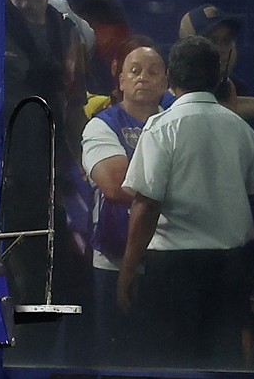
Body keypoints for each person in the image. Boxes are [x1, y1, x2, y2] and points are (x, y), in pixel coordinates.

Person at [117, 36, 254, 368]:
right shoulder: (242, 130)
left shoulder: (160, 128)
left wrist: (128, 269)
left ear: (170, 78)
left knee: (170, 365)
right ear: (218, 77)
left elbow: (146, 204)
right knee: (224, 365)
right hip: (229, 268)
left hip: (172, 272)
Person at [2, 0, 87, 304]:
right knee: (14, 266)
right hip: (7, 168)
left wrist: (81, 161)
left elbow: (76, 103)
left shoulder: (68, 33)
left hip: (55, 166)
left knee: (57, 267)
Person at [79, 38, 166, 362]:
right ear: (122, 81)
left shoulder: (177, 121)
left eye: (153, 71)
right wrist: (170, 183)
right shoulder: (102, 124)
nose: (143, 77)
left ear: (166, 82)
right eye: (135, 70)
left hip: (166, 257)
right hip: (113, 258)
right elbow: (116, 186)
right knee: (115, 355)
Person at [177, 4, 254, 119]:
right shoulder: (170, 88)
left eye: (227, 41)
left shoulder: (235, 87)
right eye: (212, 41)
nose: (222, 49)